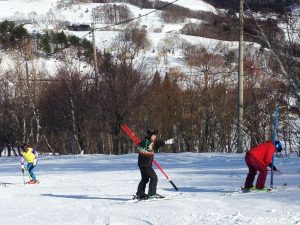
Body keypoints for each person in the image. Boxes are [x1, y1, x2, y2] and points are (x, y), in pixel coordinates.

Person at [135, 129, 171, 200]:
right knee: (154, 177)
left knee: (145, 179)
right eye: (153, 135)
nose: (155, 137)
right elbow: (150, 147)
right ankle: (152, 194)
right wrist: (158, 144)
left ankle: (140, 193)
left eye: (155, 135)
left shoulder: (148, 141)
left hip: (144, 163)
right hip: (145, 164)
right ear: (149, 135)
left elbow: (152, 148)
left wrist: (158, 144)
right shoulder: (146, 142)